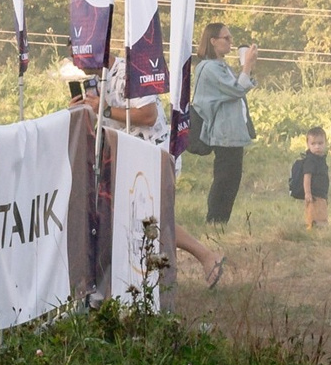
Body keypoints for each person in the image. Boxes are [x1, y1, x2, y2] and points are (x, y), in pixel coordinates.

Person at [90, 48, 224, 283]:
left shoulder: (131, 72)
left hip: (155, 154)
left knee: (154, 218)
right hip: (129, 158)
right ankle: (157, 274)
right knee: (144, 219)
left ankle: (204, 258)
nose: (78, 65)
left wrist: (105, 109)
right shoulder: (98, 81)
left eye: (81, 58)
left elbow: (148, 115)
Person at [188, 22, 257, 225]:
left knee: (231, 179)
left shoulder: (221, 66)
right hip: (224, 132)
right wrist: (247, 66)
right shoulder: (208, 68)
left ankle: (220, 221)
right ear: (213, 41)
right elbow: (236, 89)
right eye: (226, 38)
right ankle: (215, 220)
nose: (230, 42)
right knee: (225, 178)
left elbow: (238, 88)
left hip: (233, 130)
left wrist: (247, 69)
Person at [287, 128, 331, 230]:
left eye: (320, 143)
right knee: (314, 216)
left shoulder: (321, 159)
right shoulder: (310, 160)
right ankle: (313, 230)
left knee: (322, 213)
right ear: (308, 144)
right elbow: (307, 177)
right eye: (313, 144)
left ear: (325, 143)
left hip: (321, 194)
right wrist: (307, 193)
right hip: (313, 194)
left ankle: (318, 230)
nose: (317, 147)